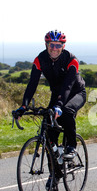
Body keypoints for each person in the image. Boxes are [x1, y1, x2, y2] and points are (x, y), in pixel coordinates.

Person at [14, 30, 86, 177]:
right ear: (46, 45)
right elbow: (32, 84)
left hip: (75, 92)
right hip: (57, 94)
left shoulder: (71, 60)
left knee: (66, 112)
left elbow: (67, 86)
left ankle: (71, 146)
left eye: (58, 45)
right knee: (48, 130)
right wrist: (23, 106)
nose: (54, 48)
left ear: (63, 46)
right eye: (51, 45)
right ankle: (55, 173)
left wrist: (59, 105)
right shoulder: (40, 59)